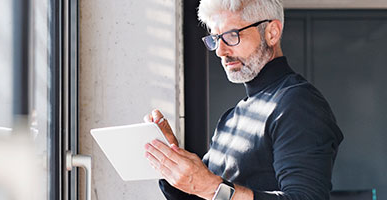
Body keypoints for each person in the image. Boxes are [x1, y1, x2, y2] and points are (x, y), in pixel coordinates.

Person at [143, 0, 344, 199]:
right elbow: (202, 195)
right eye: (215, 39)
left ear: (272, 33)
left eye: (231, 35)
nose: (221, 51)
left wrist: (214, 188)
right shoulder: (230, 119)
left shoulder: (297, 103)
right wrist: (169, 155)